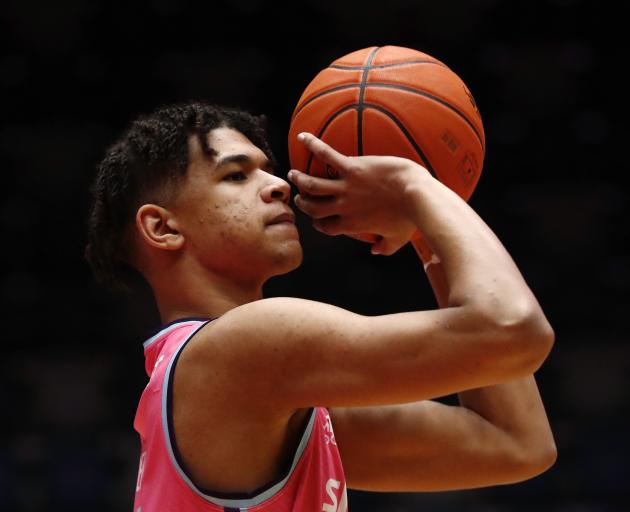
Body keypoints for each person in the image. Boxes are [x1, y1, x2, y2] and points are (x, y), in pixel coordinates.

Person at [85, 101, 556, 512]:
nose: (278, 186)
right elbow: (514, 330)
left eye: (266, 169)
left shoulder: (253, 390)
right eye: (235, 175)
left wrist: (423, 230)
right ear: (162, 228)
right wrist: (413, 183)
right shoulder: (248, 344)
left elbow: (516, 444)